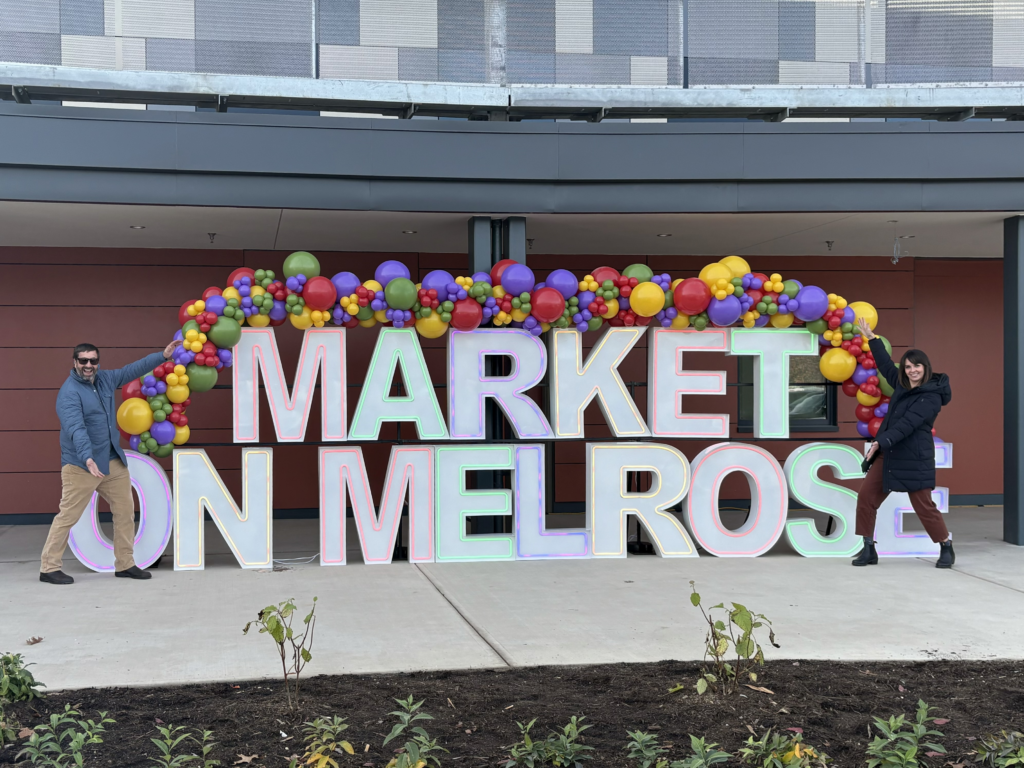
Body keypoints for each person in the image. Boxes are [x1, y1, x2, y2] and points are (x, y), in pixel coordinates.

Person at [40, 339, 182, 585]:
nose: (88, 365)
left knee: (125, 511)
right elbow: (76, 429)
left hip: (112, 459)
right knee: (68, 516)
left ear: (97, 362)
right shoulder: (69, 393)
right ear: (74, 362)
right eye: (83, 360)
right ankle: (48, 567)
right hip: (81, 465)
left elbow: (131, 370)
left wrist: (163, 355)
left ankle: (125, 564)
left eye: (92, 360)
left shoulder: (105, 379)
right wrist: (87, 457)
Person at [851, 317, 953, 569]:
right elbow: (886, 366)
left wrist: (878, 443)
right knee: (866, 497)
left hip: (914, 457)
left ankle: (945, 545)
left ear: (925, 368)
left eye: (917, 366)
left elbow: (908, 424)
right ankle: (868, 548)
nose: (912, 370)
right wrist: (872, 339)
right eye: (908, 367)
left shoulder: (932, 397)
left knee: (924, 506)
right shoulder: (902, 385)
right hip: (889, 452)